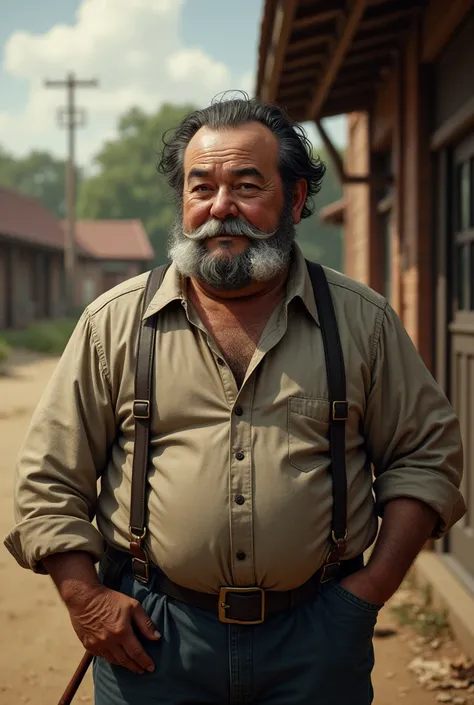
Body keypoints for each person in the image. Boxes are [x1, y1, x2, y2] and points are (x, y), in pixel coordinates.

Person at [4, 96, 466, 705]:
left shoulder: (364, 323)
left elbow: (425, 458)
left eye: (248, 186)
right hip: (151, 642)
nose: (221, 207)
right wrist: (85, 597)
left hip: (316, 644)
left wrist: (368, 593)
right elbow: (48, 480)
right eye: (202, 188)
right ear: (184, 203)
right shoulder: (113, 324)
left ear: (296, 199)